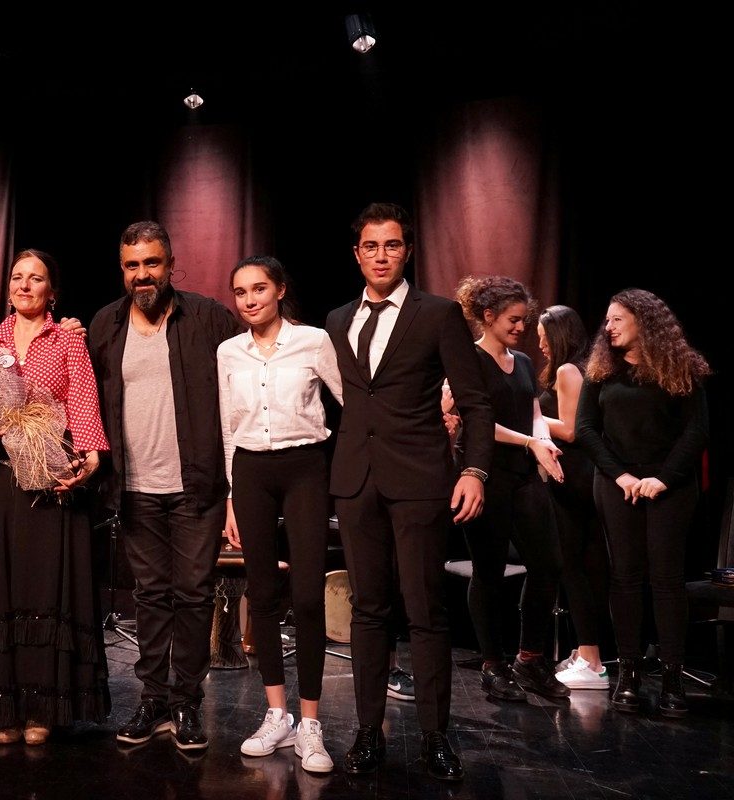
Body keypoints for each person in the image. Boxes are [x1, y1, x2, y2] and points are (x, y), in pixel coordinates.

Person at [324, 202, 492, 782]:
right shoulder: (337, 319)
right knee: (368, 611)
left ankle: (435, 736)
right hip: (356, 480)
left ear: (407, 251)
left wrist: (474, 471)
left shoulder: (438, 314)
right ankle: (368, 732)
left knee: (424, 609)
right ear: (357, 254)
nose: (381, 256)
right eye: (371, 247)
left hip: (419, 480)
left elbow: (475, 401)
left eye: (391, 245)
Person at [88, 221, 242, 751]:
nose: (142, 274)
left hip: (197, 484)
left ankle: (187, 702)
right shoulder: (104, 324)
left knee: (194, 594)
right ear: (122, 269)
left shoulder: (209, 318)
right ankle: (153, 698)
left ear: (171, 265)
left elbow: (243, 385)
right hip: (134, 488)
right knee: (150, 595)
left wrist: (236, 488)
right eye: (132, 265)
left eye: (152, 263)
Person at [0, 249, 112, 745]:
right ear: (8, 288)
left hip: (52, 476)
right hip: (3, 479)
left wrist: (90, 456)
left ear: (52, 292)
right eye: (17, 277)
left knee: (48, 588)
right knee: (5, 586)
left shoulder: (67, 339)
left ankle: (44, 707)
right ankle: (5, 707)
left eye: (36, 278)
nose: (25, 285)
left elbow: (83, 400)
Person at [218, 256, 342, 773]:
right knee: (263, 594)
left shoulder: (313, 341)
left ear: (280, 290)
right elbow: (227, 425)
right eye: (241, 292)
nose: (250, 300)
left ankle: (310, 722)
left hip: (305, 467)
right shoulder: (229, 351)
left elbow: (351, 400)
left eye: (259, 289)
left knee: (308, 596)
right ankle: (276, 715)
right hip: (250, 471)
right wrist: (230, 496)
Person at [576, 289, 710, 717]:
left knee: (667, 579)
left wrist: (662, 479)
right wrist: (622, 475)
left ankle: (672, 678)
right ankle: (629, 673)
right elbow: (586, 429)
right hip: (617, 483)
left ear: (644, 321)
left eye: (617, 319)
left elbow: (697, 430)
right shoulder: (601, 371)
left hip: (669, 485)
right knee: (625, 577)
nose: (608, 327)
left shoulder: (680, 367)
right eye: (607, 320)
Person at [454, 276, 569, 702]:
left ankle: (529, 659)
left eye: (524, 320)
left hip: (522, 476)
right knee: (489, 570)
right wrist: (529, 443)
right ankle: (492, 665)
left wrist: (544, 441)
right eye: (514, 320)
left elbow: (534, 411)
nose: (522, 327)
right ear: (488, 317)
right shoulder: (469, 359)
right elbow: (477, 422)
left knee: (548, 564)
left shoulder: (520, 361)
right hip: (484, 473)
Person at [536, 305, 611, 690]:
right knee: (584, 564)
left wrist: (530, 416)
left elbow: (570, 430)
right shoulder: (585, 367)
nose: (540, 345)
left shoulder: (568, 370)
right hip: (583, 477)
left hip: (573, 477)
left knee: (573, 565)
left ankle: (591, 659)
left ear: (559, 335)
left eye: (544, 338)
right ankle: (587, 653)